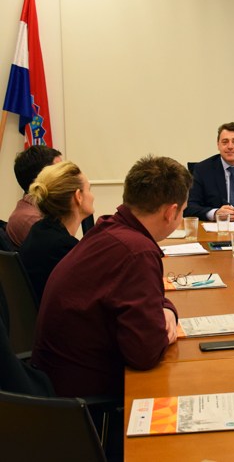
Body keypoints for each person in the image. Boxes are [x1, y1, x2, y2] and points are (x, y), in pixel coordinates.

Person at [32, 155, 191, 399]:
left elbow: (150, 299)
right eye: (182, 211)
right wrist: (166, 318)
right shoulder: (137, 252)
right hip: (84, 404)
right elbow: (144, 354)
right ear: (170, 212)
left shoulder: (111, 227)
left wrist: (167, 310)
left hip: (57, 383)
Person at [19, 161, 95, 305]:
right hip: (56, 324)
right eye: (89, 190)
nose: (92, 196)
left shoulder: (39, 230)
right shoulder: (63, 247)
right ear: (78, 196)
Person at [6, 145, 62, 247]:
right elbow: (70, 257)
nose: (67, 176)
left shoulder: (36, 210)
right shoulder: (32, 220)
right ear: (40, 178)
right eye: (59, 172)